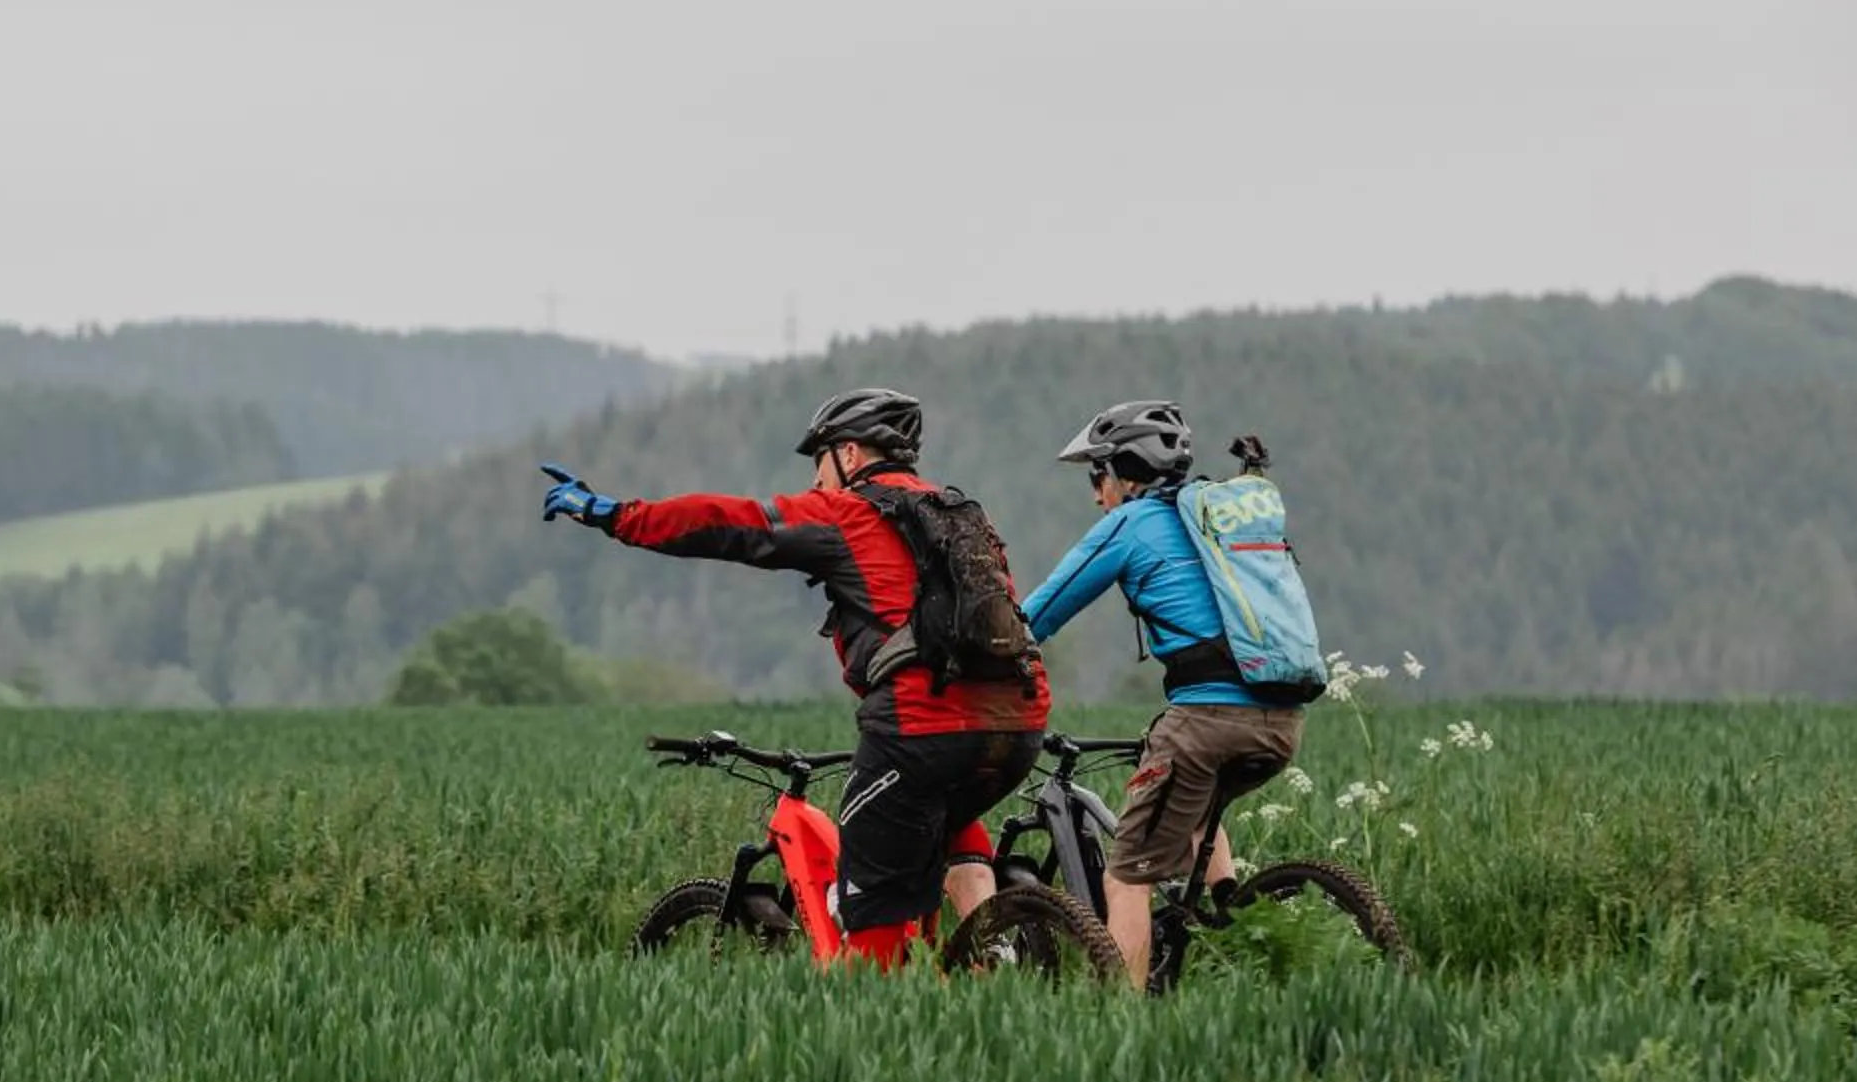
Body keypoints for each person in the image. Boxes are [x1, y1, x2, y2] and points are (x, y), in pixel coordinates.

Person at [539, 386, 1051, 969]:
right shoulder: (960, 515)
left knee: (869, 912)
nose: (815, 480)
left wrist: (614, 515)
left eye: (820, 461)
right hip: (1019, 725)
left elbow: (730, 523)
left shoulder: (845, 513)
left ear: (851, 455)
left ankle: (881, 1019)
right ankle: (990, 951)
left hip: (918, 726)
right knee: (949, 814)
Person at [1018, 399, 1304, 987]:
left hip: (1207, 719)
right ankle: (1234, 915)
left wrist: (984, 653)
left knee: (1127, 879)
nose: (1097, 495)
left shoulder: (1131, 523)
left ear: (1125, 473)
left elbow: (1037, 615)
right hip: (1283, 718)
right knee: (1192, 797)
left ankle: (1123, 1026)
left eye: (1097, 477)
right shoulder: (1215, 519)